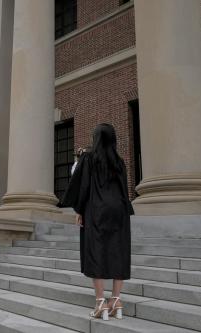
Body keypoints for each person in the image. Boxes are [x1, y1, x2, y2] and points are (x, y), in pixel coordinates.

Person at [61, 123, 133, 321]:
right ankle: (116, 300)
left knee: (96, 250)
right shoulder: (119, 161)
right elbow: (124, 189)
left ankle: (100, 302)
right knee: (119, 250)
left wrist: (79, 210)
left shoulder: (89, 159)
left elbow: (82, 186)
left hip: (96, 209)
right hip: (119, 209)